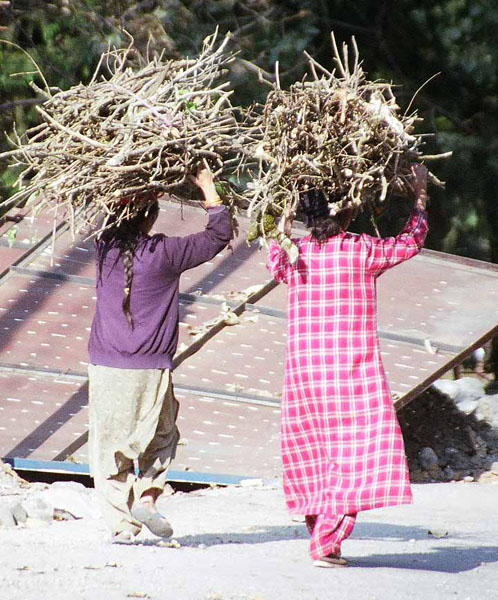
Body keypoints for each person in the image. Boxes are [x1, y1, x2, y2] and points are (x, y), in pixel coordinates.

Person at [267, 165, 429, 567]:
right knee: (354, 453)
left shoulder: (295, 255)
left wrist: (283, 219)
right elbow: (412, 241)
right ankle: (324, 543)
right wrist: (420, 196)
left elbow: (275, 251)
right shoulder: (361, 250)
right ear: (345, 214)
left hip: (304, 376)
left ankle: (326, 536)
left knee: (315, 451)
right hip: (349, 374)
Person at [87, 167, 232, 544]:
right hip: (151, 370)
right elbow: (218, 234)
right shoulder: (165, 252)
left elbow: (102, 213)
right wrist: (208, 188)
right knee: (162, 437)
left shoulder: (104, 250)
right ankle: (148, 499)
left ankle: (121, 524)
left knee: (107, 450)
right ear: (151, 218)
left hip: (106, 368)